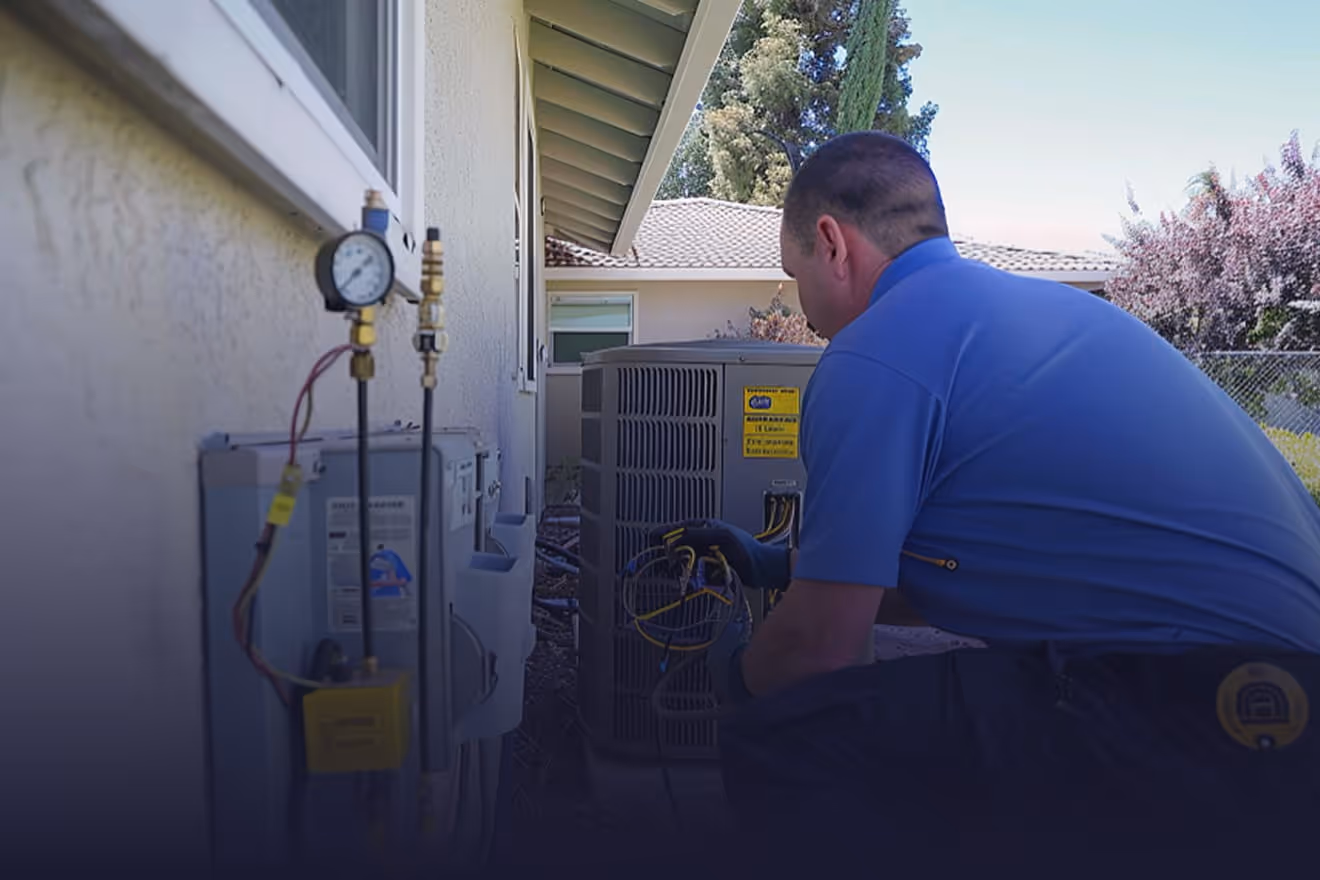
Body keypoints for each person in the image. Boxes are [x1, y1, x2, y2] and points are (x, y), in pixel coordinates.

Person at [653, 131, 1320, 872]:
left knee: (792, 734)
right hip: (1275, 702)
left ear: (832, 244)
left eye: (794, 274)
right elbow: (977, 574)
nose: (802, 310)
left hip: (1202, 706)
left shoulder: (875, 350)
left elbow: (819, 650)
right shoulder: (1033, 315)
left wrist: (737, 672)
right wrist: (782, 565)